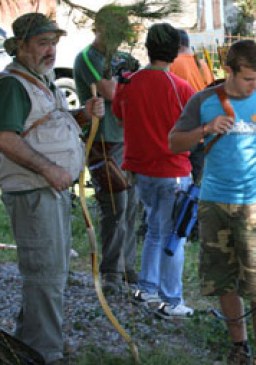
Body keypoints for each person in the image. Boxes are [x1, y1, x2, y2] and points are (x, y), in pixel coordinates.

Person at [169, 39, 256, 365]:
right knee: (224, 279)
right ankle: (238, 346)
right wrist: (205, 129)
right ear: (229, 70)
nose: (254, 85)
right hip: (214, 201)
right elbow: (173, 142)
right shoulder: (204, 100)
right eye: (247, 78)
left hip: (255, 202)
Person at [0, 12, 104, 364]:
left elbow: (50, 125)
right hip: (33, 191)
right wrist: (48, 168)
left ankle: (30, 345)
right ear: (21, 46)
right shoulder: (13, 84)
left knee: (52, 269)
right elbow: (5, 138)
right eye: (42, 43)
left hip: (49, 189)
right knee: (45, 273)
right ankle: (44, 353)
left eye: (54, 44)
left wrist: (84, 115)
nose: (50, 51)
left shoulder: (41, 79)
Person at [112, 22, 195, 318]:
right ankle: (171, 300)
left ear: (148, 49)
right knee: (174, 236)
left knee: (155, 229)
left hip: (140, 170)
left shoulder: (130, 82)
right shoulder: (180, 87)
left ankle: (147, 288)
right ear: (174, 52)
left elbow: (118, 113)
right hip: (171, 170)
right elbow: (195, 125)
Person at [73, 4, 139, 291]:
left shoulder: (127, 58)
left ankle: (127, 267)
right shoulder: (87, 57)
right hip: (102, 140)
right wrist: (124, 84)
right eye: (110, 32)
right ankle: (111, 272)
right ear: (97, 29)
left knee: (133, 205)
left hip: (129, 138)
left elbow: (139, 91)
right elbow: (112, 91)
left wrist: (125, 84)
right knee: (115, 204)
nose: (115, 39)